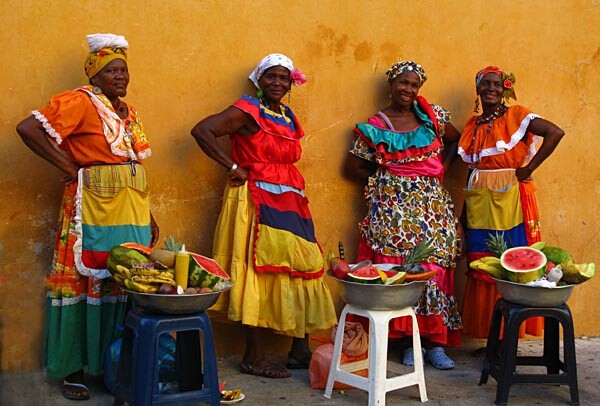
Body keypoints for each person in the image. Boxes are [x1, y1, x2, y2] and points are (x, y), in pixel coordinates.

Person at [16, 33, 158, 400]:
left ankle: (111, 364)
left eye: (124, 70)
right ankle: (73, 369)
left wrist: (148, 213)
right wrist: (70, 166)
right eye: (111, 70)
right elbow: (29, 129)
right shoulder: (80, 102)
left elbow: (130, 165)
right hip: (90, 207)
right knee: (82, 280)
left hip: (130, 210)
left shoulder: (129, 113)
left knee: (122, 281)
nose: (120, 77)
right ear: (94, 74)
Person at [191, 53, 337, 379]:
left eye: (284, 77)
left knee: (302, 264)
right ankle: (253, 357)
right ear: (259, 80)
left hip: (290, 199)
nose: (278, 83)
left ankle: (299, 349)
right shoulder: (248, 110)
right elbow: (202, 131)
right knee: (256, 270)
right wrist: (232, 167)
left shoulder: (286, 114)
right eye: (271, 76)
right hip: (254, 200)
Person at [345, 61, 463, 370]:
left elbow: (456, 139)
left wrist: (443, 168)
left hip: (432, 208)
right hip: (393, 211)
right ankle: (408, 342)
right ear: (391, 85)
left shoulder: (433, 118)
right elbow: (353, 166)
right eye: (402, 83)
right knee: (400, 271)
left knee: (434, 268)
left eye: (413, 85)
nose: (407, 89)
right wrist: (390, 174)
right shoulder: (378, 123)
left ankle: (435, 343)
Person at [458, 66, 565, 339]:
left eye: (497, 84)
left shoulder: (517, 115)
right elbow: (472, 169)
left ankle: (508, 334)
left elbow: (555, 133)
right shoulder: (473, 125)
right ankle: (490, 334)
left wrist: (529, 169)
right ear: (478, 89)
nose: (491, 89)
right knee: (483, 261)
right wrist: (462, 216)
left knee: (510, 258)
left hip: (510, 196)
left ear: (505, 89)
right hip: (479, 198)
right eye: (486, 84)